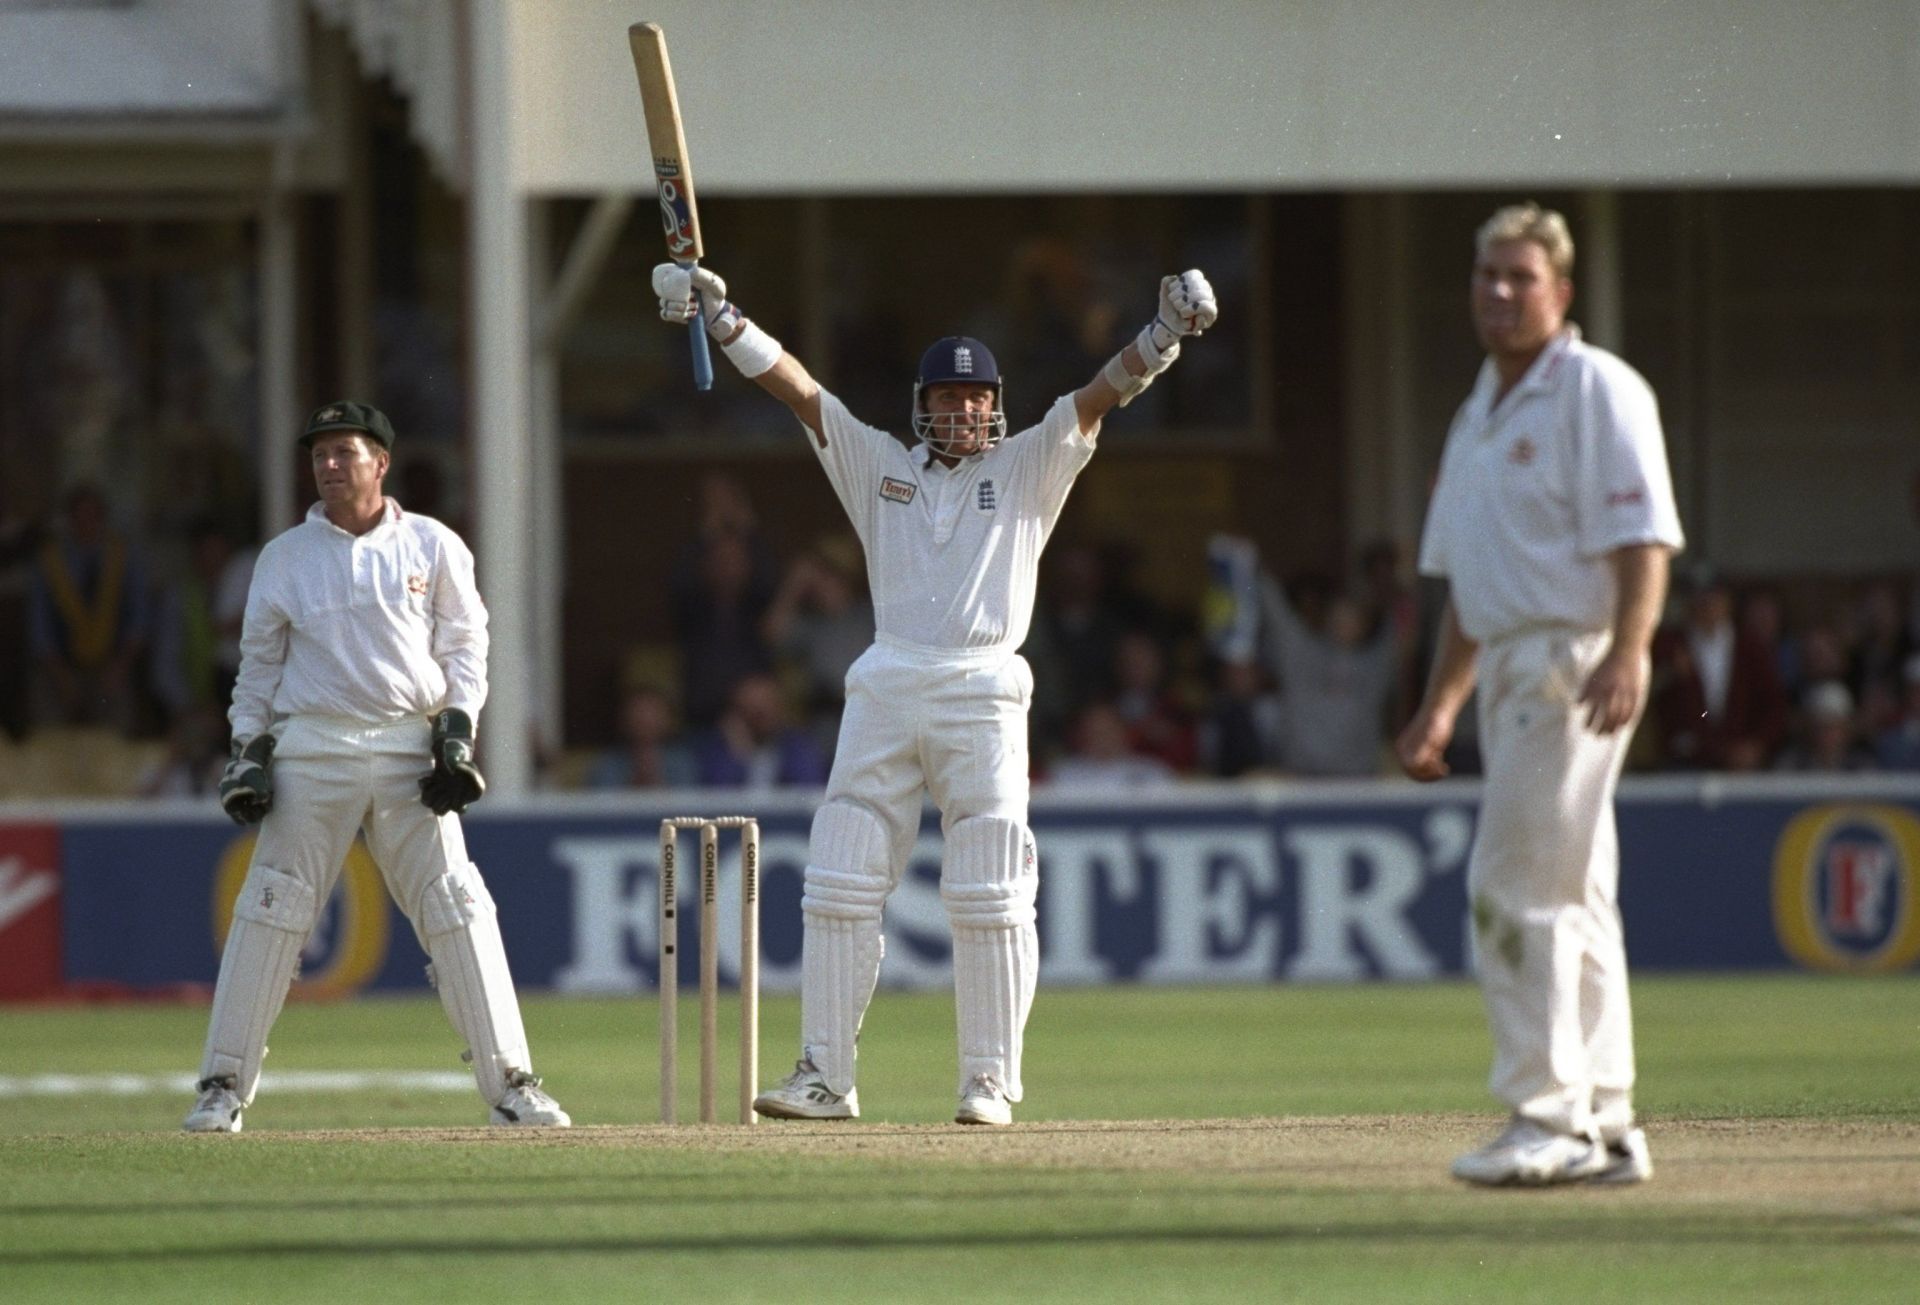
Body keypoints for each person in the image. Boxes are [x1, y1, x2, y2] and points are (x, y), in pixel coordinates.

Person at [650, 258, 1217, 1125]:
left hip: (984, 688)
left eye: (975, 398)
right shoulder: (879, 465)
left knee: (989, 885)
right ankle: (824, 1076)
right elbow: (802, 393)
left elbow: (1102, 394)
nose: (961, 411)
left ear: (994, 406)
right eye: (946, 400)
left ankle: (987, 1079)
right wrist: (726, 320)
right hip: (886, 680)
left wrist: (1164, 336)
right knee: (838, 875)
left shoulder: (1031, 463)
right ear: (925, 405)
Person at [1395, 204, 1682, 1187]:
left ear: (1561, 291)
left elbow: (1644, 538)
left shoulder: (1596, 389)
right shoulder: (1477, 412)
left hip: (1572, 658)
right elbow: (1469, 585)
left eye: (1522, 277)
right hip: (1511, 661)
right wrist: (1438, 706)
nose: (1501, 293)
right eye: (1488, 276)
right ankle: (1604, 1118)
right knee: (1575, 893)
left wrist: (1631, 649)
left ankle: (1544, 1114)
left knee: (1514, 889)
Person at [182, 400, 568, 1133]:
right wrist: (246, 752)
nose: (329, 464)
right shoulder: (285, 556)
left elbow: (466, 648)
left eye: (345, 452)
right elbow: (257, 670)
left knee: (458, 904)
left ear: (380, 462)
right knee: (270, 909)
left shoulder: (433, 545)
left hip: (406, 747)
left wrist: (456, 733)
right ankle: (222, 1087)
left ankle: (513, 1086)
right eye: (320, 453)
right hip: (314, 747)